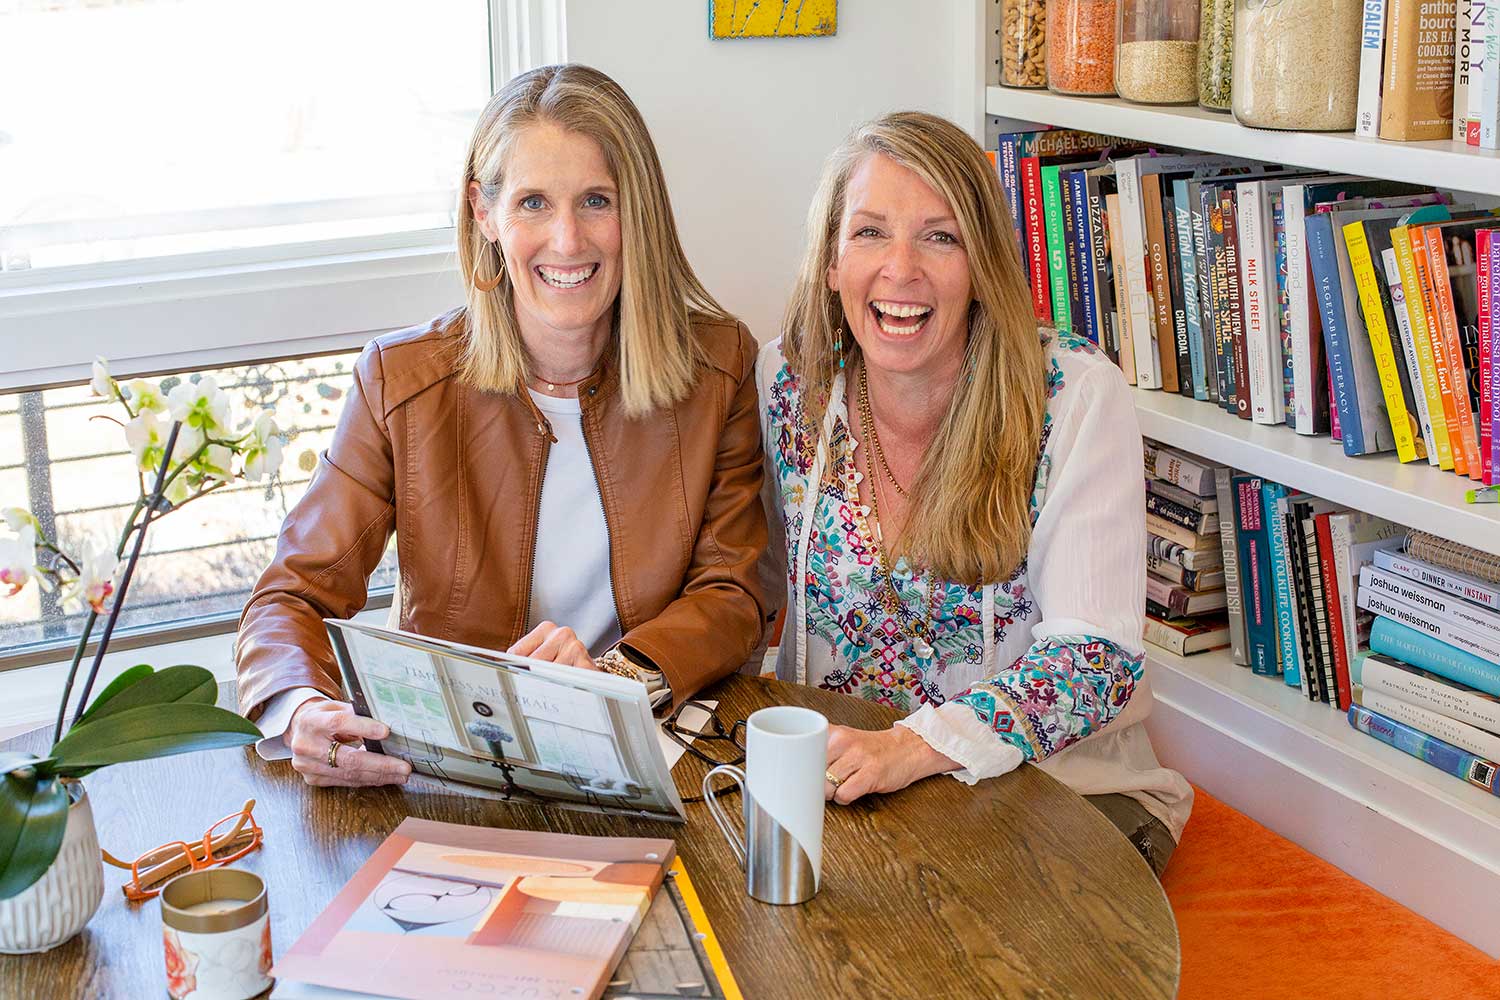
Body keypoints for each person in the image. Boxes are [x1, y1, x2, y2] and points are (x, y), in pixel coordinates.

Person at [236, 64, 768, 787]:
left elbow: (735, 594)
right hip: (457, 767)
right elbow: (291, 595)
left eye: (596, 200)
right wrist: (300, 711)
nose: (567, 238)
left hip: (652, 753)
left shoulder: (718, 364)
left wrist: (613, 679)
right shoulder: (400, 381)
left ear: (636, 211)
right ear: (484, 214)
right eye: (533, 203)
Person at [758, 111, 1192, 876]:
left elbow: (1097, 658)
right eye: (868, 233)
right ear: (830, 261)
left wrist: (910, 748)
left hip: (1066, 793)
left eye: (940, 236)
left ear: (984, 265)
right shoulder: (792, 384)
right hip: (858, 792)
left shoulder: (1075, 399)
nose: (901, 269)